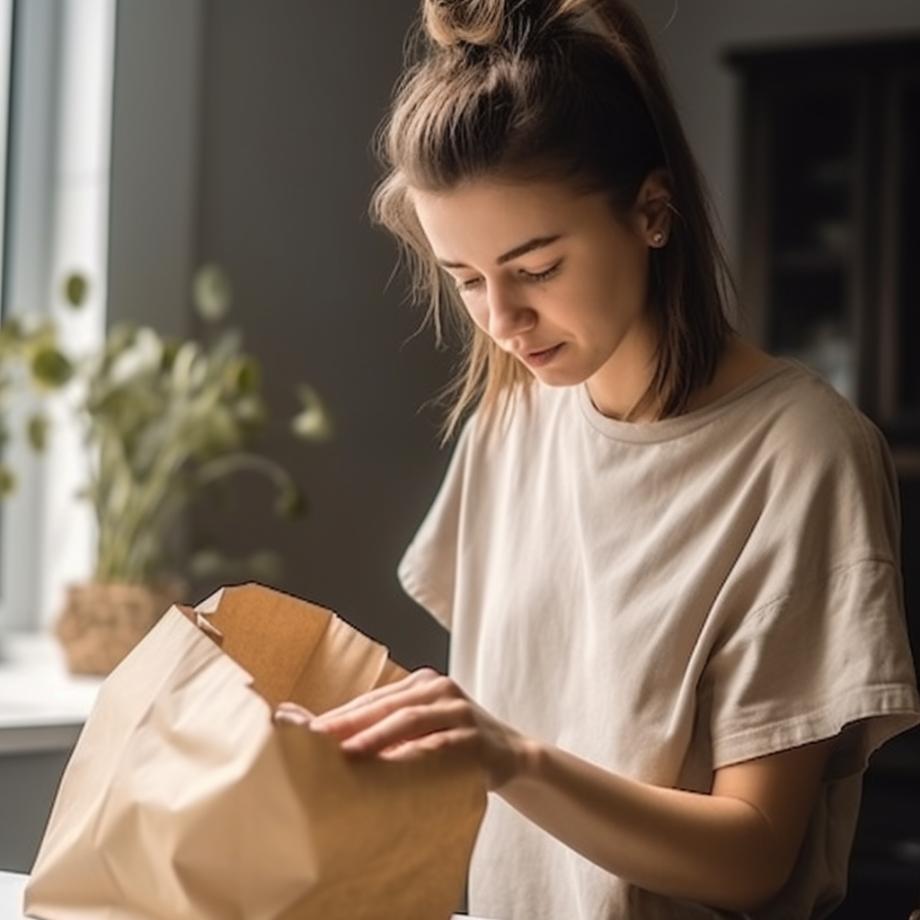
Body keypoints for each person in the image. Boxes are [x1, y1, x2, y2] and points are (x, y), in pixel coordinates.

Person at [273, 1, 920, 916]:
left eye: (536, 269)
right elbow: (508, 732)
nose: (502, 320)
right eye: (466, 280)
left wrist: (508, 757)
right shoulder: (513, 414)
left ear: (652, 212)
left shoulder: (803, 454)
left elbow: (755, 857)